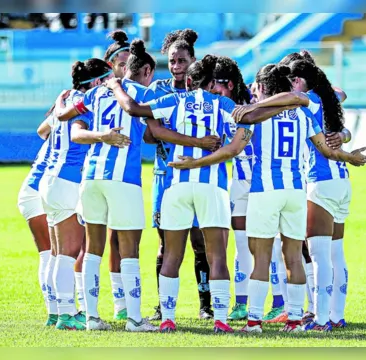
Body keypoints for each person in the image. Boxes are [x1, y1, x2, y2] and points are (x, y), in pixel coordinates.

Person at [107, 55, 252, 334]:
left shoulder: (174, 101)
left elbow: (137, 111)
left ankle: (168, 319)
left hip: (176, 184)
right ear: (210, 83)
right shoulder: (223, 103)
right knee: (217, 256)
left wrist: (117, 87)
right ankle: (220, 319)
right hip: (213, 185)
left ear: (188, 80)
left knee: (172, 255)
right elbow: (243, 132)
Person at [230, 64, 366, 333]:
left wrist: (198, 159)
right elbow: (327, 150)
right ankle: (295, 319)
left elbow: (234, 148)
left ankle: (254, 321)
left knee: (261, 257)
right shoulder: (305, 115)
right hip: (295, 191)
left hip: (265, 190)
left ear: (265, 88)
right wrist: (351, 155)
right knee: (294, 256)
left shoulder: (255, 116)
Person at [55, 39, 158, 332]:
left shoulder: (97, 93)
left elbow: (64, 117)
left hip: (91, 176)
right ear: (145, 71)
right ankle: (135, 319)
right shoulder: (141, 93)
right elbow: (156, 128)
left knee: (93, 250)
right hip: (123, 178)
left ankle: (91, 318)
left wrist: (62, 102)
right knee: (129, 250)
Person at [35, 58, 114, 331]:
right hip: (66, 181)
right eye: (106, 80)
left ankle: (58, 312)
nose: (108, 85)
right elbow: (78, 133)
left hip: (50, 179)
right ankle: (67, 314)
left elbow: (42, 130)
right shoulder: (85, 101)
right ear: (95, 82)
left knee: (58, 253)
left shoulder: (66, 98)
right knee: (68, 253)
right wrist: (103, 136)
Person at [210, 56, 288, 322]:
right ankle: (241, 302)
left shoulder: (255, 106)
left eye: (216, 86)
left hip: (262, 183)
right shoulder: (222, 109)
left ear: (229, 84)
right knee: (242, 244)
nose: (213, 92)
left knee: (269, 245)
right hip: (239, 183)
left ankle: (280, 302)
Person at [146, 29, 217, 321]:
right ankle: (163, 305)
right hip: (166, 175)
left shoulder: (205, 92)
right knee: (166, 244)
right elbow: (150, 134)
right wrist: (191, 139)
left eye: (182, 61)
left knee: (202, 242)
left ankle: (206, 305)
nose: (176, 67)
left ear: (193, 60)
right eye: (172, 61)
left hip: (201, 175)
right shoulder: (159, 90)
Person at [284, 57, 353, 331]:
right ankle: (337, 315)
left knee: (319, 255)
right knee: (336, 254)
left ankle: (321, 319)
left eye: (289, 82)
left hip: (320, 181)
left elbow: (296, 99)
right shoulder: (329, 97)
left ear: (298, 81)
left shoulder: (309, 100)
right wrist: (344, 134)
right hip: (342, 181)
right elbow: (341, 93)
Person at [102, 29, 133, 321]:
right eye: (121, 63)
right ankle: (120, 304)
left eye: (129, 63)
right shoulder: (96, 93)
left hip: (127, 174)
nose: (125, 68)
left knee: (124, 237)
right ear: (110, 64)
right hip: (101, 173)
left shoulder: (135, 91)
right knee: (101, 240)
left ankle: (125, 304)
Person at [16, 132, 56, 327]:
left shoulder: (62, 116)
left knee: (51, 254)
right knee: (53, 254)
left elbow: (42, 130)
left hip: (35, 189)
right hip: (38, 191)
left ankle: (56, 311)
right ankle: (59, 311)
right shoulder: (76, 125)